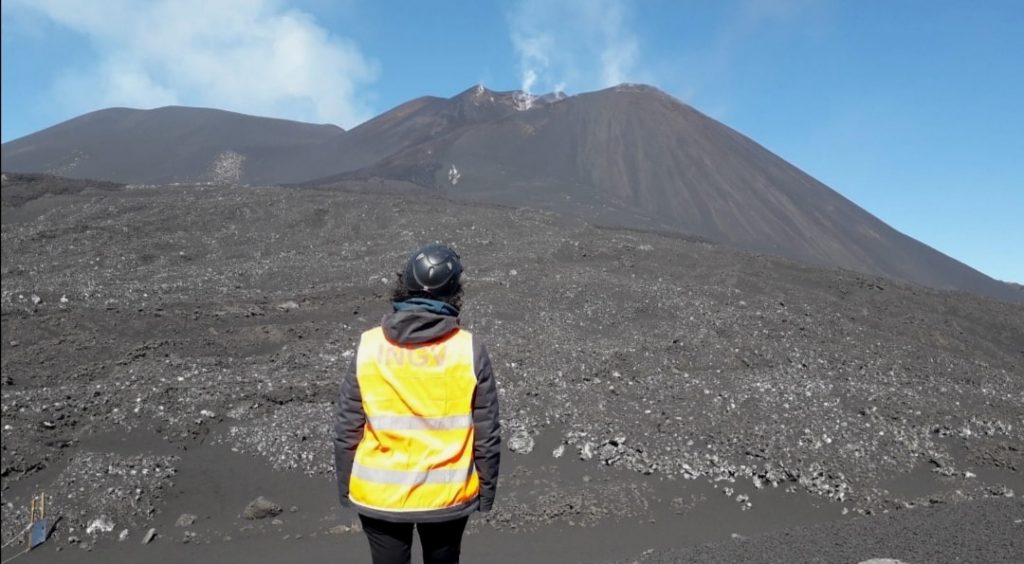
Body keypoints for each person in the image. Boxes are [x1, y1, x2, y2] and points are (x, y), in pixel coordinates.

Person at [334, 243, 501, 564]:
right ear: (455, 293)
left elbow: (347, 426)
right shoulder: (468, 349)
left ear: (404, 285)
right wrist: (487, 493)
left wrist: (347, 488)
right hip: (446, 496)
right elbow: (487, 433)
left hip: (378, 494)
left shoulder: (369, 346)